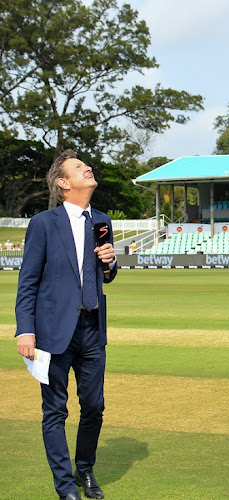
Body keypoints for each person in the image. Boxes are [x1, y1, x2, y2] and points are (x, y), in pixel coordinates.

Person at [15, 149, 117, 500]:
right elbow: (27, 282)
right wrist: (24, 329)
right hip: (52, 332)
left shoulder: (102, 220)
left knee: (94, 406)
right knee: (54, 410)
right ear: (63, 183)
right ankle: (64, 487)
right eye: (78, 167)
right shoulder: (43, 223)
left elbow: (107, 275)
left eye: (86, 165)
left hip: (92, 329)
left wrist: (111, 260)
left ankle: (84, 469)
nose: (87, 168)